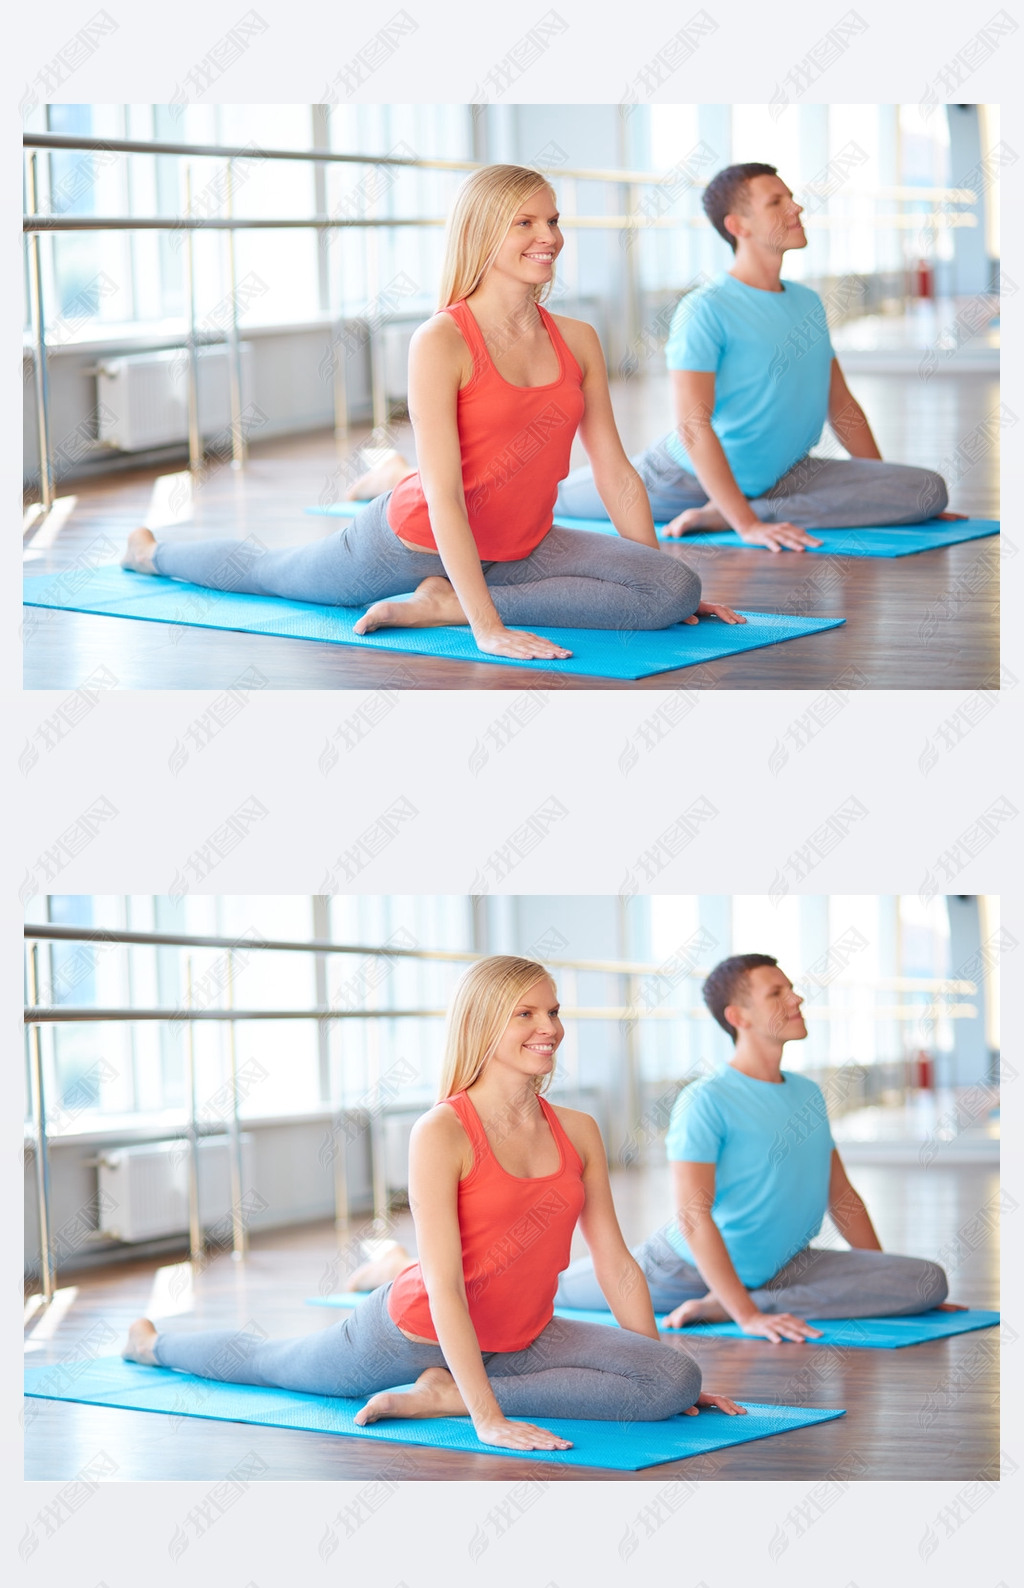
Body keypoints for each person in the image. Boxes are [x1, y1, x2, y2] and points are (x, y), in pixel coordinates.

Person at [122, 165, 742, 663]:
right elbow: (445, 494)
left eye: (552, 220)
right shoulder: (442, 340)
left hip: (523, 545)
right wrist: (485, 625)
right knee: (269, 571)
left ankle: (443, 604)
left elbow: (614, 471)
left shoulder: (578, 338)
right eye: (524, 223)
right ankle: (150, 554)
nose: (549, 237)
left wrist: (649, 568)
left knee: (675, 588)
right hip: (410, 545)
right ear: (480, 234)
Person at [124, 956, 743, 1451]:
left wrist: (648, 1360)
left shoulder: (578, 1130)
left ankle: (441, 1395)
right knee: (271, 1363)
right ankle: (151, 1345)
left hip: (524, 1336)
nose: (549, 1028)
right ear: (481, 1025)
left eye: (553, 1010)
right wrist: (485, 1416)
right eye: (524, 1014)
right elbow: (445, 1286)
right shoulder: (442, 1130)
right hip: (411, 1335)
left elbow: (614, 1261)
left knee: (674, 1377)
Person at [556, 163, 961, 553]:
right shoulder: (705, 308)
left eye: (792, 198)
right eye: (776, 202)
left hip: (783, 477)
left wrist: (878, 484)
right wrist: (747, 527)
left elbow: (841, 406)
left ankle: (726, 515)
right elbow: (692, 427)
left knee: (928, 491)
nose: (796, 207)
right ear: (738, 225)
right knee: (554, 500)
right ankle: (733, 512)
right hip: (683, 479)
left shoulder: (808, 303)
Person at [556, 954, 959, 1341]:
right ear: (738, 1017)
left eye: (792, 989)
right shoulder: (706, 1099)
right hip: (683, 1270)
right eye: (777, 993)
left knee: (927, 1282)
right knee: (553, 1290)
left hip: (783, 1268)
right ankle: (736, 1302)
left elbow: (842, 1196)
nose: (796, 999)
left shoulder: (808, 1094)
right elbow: (692, 1218)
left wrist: (878, 1274)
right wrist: (746, 1318)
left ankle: (727, 1305)